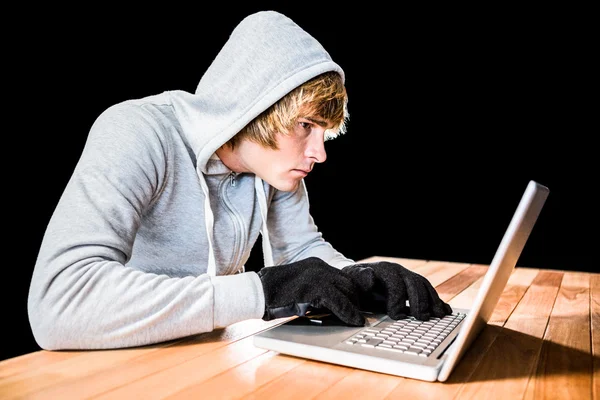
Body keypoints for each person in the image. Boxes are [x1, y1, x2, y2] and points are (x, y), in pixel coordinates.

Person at [28, 10, 452, 351]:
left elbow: (302, 256)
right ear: (254, 106)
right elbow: (59, 304)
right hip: (111, 364)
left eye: (324, 133)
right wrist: (261, 293)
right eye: (305, 125)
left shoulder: (269, 168)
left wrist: (364, 277)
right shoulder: (137, 132)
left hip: (204, 356)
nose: (319, 154)